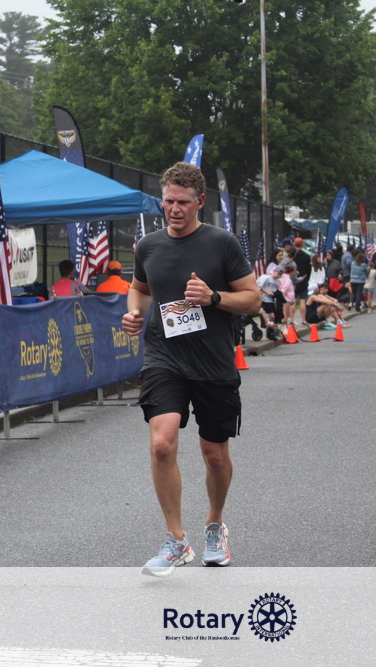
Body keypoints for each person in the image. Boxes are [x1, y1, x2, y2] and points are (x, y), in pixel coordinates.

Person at [122, 162, 260, 576]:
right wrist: (134, 313)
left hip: (212, 362)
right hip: (164, 357)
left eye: (183, 202)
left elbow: (253, 299)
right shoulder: (148, 246)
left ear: (200, 202)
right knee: (162, 443)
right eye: (168, 201)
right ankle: (176, 539)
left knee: (214, 454)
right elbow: (140, 289)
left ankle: (215, 525)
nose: (174, 209)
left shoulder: (221, 243)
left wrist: (214, 297)